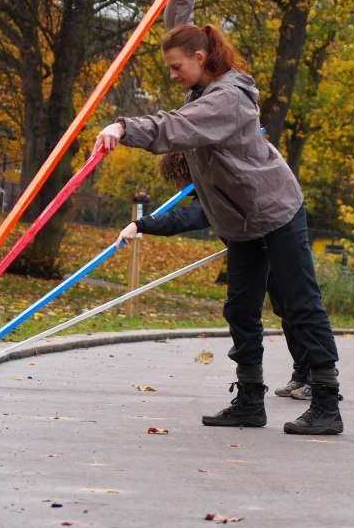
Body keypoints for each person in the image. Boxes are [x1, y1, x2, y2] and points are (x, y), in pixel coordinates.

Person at [94, 0, 342, 435]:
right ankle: (250, 400)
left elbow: (175, 128)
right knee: (240, 309)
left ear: (202, 59)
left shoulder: (227, 99)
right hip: (240, 221)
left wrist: (123, 127)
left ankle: (327, 404)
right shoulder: (203, 81)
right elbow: (177, 20)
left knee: (299, 303)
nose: (173, 75)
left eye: (177, 67)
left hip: (275, 210)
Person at [116, 152, 313, 402]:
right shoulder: (208, 189)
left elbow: (187, 217)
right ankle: (302, 374)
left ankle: (316, 378)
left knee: (295, 310)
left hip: (273, 246)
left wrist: (140, 225)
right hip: (257, 253)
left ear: (188, 173)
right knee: (285, 310)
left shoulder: (216, 189)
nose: (176, 187)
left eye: (177, 179)